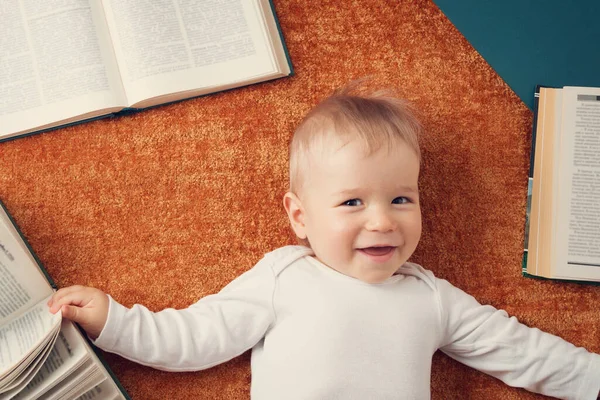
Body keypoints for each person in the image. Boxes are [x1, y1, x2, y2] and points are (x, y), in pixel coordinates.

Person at [48, 83, 600, 399]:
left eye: (401, 199)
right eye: (352, 202)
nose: (382, 222)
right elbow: (195, 336)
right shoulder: (284, 276)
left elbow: (522, 351)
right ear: (300, 217)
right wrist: (114, 321)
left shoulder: (431, 297)